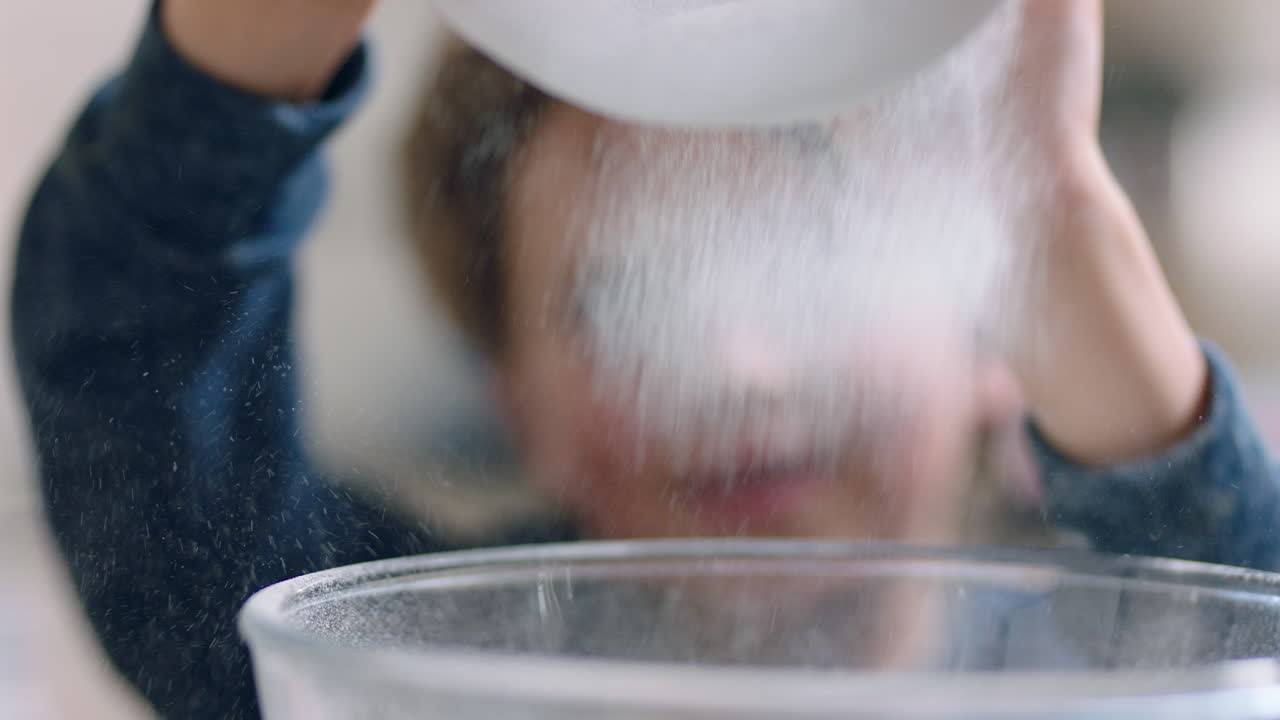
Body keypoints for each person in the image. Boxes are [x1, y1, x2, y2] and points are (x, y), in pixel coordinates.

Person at [9, 0, 1276, 717]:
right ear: (509, 393)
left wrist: (1048, 220)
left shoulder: (1106, 673)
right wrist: (252, 44)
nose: (731, 366)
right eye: (615, 304)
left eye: (802, 262)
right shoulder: (433, 681)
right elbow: (145, 399)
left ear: (999, 330)